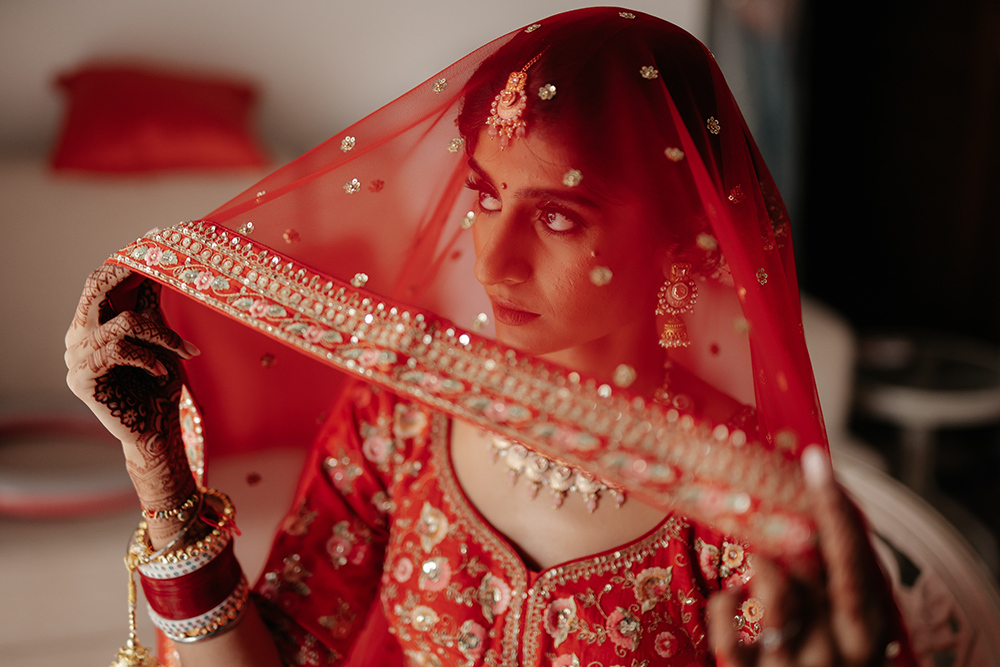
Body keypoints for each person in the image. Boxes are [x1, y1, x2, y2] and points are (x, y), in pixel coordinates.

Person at [65, 7, 913, 666]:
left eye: (557, 216)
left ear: (678, 237)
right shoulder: (401, 414)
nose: (494, 261)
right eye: (484, 196)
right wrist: (158, 470)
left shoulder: (734, 494)